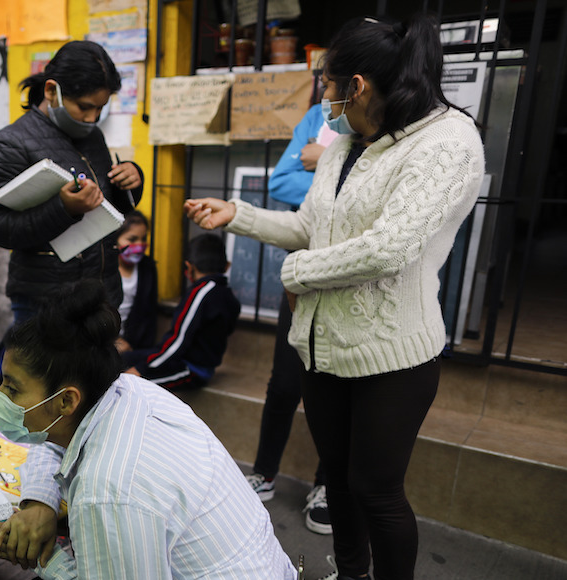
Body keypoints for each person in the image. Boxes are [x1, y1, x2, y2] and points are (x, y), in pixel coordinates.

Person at [185, 15, 484, 580]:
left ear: (358, 86)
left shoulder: (448, 142)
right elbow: (311, 227)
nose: (322, 96)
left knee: (378, 490)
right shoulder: (345, 143)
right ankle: (350, 573)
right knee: (340, 480)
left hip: (392, 355)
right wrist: (239, 216)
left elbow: (388, 249)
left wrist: (296, 273)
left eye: (326, 83)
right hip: (322, 352)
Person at [0, 280, 296, 579]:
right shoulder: (125, 390)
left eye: (12, 389)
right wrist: (39, 504)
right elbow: (54, 441)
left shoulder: (105, 493)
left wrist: (45, 558)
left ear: (66, 401)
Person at [0, 40, 144, 326]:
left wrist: (131, 180)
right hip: (46, 305)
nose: (92, 118)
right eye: (84, 107)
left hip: (100, 296)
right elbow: (0, 229)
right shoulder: (12, 143)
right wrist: (64, 209)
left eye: (100, 108)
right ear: (51, 91)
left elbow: (107, 208)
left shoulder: (92, 136)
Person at [245, 102, 334, 536]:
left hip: (349, 283)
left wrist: (326, 160)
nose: (326, 95)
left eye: (333, 83)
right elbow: (282, 181)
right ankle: (263, 473)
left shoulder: (388, 122)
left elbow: (367, 198)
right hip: (301, 272)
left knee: (337, 389)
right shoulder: (317, 119)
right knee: (284, 381)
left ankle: (327, 486)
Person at [122, 233, 240, 389]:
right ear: (226, 266)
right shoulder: (228, 295)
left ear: (189, 267)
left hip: (192, 369)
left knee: (129, 385)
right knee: (122, 360)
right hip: (186, 361)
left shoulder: (200, 293)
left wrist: (140, 369)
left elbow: (177, 342)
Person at [114, 210, 159, 352]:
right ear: (115, 239)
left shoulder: (147, 268)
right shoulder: (103, 266)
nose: (139, 245)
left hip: (133, 345)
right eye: (132, 239)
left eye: (143, 239)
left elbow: (149, 313)